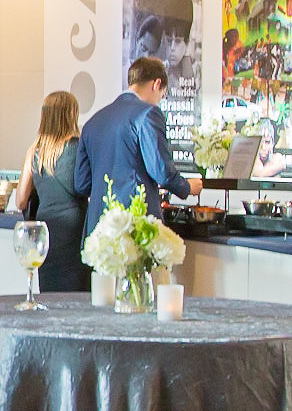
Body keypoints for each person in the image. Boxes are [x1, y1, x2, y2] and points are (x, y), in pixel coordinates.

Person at [74, 57, 191, 221]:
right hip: (134, 221)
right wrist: (187, 187)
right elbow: (161, 171)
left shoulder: (92, 123)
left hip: (99, 224)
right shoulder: (148, 113)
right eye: (162, 95)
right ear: (156, 84)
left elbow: (82, 184)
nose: (159, 101)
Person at [13, 90, 90, 292]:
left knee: (50, 292)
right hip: (75, 229)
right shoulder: (78, 147)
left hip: (46, 230)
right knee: (76, 293)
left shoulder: (35, 151)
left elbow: (20, 201)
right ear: (70, 115)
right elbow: (84, 187)